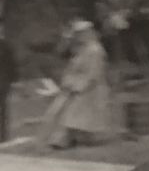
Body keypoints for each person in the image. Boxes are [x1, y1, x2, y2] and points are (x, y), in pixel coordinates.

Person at [48, 19, 112, 150]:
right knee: (70, 113)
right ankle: (67, 138)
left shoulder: (95, 50)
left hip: (91, 89)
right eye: (78, 34)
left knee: (75, 113)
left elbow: (94, 74)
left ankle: (67, 139)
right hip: (80, 87)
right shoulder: (82, 49)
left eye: (81, 34)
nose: (79, 37)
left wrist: (79, 87)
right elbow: (64, 57)